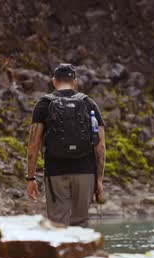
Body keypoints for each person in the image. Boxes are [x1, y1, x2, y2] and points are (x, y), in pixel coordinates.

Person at [26, 63, 105, 227]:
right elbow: (101, 146)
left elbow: (33, 145)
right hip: (85, 172)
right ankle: (83, 252)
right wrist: (99, 180)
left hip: (56, 172)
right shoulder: (89, 104)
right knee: (81, 223)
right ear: (75, 81)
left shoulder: (43, 104)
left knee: (57, 224)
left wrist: (31, 177)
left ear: (54, 81)